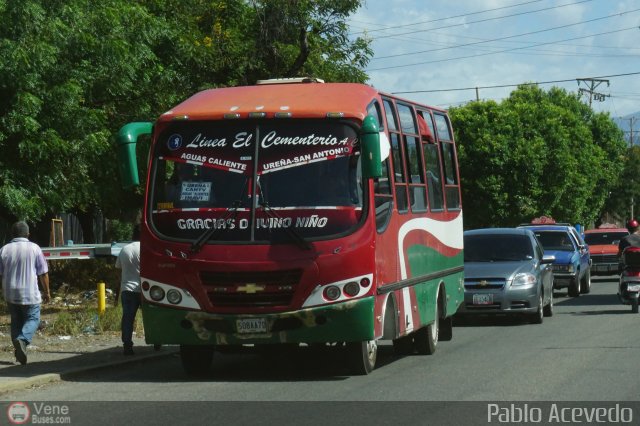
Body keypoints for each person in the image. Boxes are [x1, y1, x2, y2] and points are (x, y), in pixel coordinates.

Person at [0, 221, 50, 365]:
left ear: (12, 234)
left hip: (10, 293)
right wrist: (47, 292)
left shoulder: (4, 250)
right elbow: (43, 273)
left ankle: (19, 354)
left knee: (16, 321)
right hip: (30, 293)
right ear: (28, 234)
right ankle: (22, 340)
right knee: (34, 319)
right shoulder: (34, 248)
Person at [115, 225, 141, 355]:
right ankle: (156, 342)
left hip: (127, 289)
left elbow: (118, 271)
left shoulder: (124, 250)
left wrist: (119, 289)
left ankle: (127, 344)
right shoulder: (145, 249)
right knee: (149, 317)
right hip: (144, 289)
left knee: (128, 318)